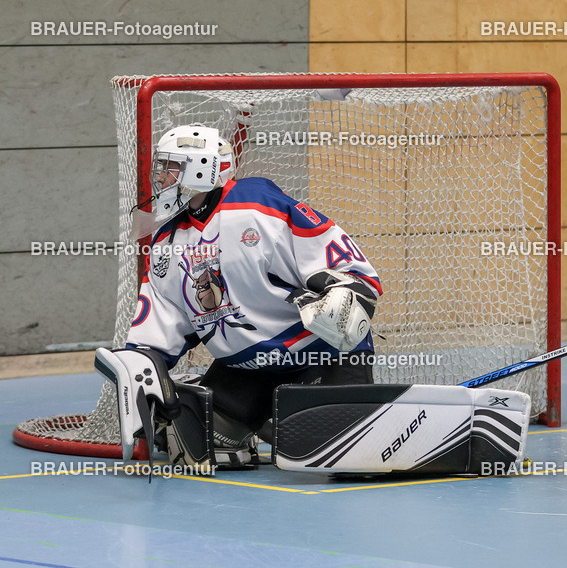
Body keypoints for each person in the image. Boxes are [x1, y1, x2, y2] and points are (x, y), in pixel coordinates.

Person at [99, 124, 381, 468]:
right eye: (161, 166)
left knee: (336, 454)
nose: (160, 176)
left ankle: (286, 417)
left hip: (317, 354)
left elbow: (354, 275)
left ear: (201, 168)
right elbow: (156, 330)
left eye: (170, 166)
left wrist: (343, 293)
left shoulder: (256, 207)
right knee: (186, 438)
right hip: (246, 368)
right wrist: (146, 373)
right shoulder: (167, 243)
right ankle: (259, 416)